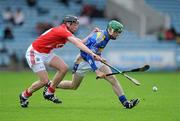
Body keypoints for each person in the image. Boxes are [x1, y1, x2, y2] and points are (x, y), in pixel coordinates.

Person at [19, 15, 105, 108]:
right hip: (35, 52)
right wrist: (93, 54)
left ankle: (49, 92)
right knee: (44, 81)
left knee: (64, 68)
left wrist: (92, 33)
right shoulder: (62, 31)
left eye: (77, 24)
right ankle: (24, 95)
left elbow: (81, 42)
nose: (76, 27)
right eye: (75, 24)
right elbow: (78, 44)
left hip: (46, 53)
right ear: (68, 24)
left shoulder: (66, 31)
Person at [52, 20, 139, 109]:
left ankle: (126, 103)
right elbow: (87, 54)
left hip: (93, 59)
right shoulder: (100, 38)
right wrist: (96, 70)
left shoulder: (106, 36)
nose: (118, 34)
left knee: (113, 79)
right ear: (110, 30)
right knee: (73, 86)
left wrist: (100, 57)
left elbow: (95, 50)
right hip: (82, 61)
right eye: (117, 32)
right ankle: (51, 84)